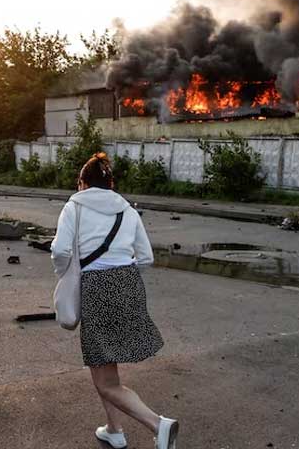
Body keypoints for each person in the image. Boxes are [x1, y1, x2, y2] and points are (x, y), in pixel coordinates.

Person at [50, 152, 179, 449]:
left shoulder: (74, 207)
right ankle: (114, 429)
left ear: (82, 182)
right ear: (111, 184)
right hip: (129, 284)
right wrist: (121, 268)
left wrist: (67, 273)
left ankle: (159, 425)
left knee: (105, 379)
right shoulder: (127, 210)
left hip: (96, 289)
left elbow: (60, 252)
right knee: (103, 365)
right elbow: (145, 257)